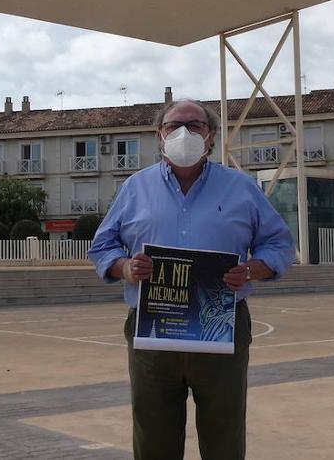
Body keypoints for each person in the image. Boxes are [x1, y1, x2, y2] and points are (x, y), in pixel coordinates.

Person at [88, 99, 295, 460]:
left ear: (210, 136)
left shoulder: (241, 187)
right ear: (159, 135)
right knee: (153, 433)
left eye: (194, 125)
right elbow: (102, 244)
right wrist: (124, 268)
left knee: (224, 431)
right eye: (174, 125)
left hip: (221, 324)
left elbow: (278, 242)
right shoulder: (136, 187)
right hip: (153, 328)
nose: (183, 133)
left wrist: (253, 269)